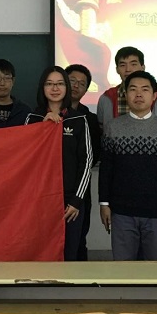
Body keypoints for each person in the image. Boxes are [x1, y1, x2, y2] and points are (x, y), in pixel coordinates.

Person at [99, 71, 157, 261]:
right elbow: (106, 169)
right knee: (123, 268)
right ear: (125, 94)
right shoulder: (113, 127)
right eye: (133, 89)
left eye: (145, 90)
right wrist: (104, 204)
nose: (138, 94)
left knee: (155, 269)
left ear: (154, 96)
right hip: (121, 212)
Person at [26, 67, 93, 261]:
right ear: (42, 88)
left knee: (69, 255)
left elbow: (86, 161)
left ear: (66, 88)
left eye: (60, 84)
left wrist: (76, 201)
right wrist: (43, 128)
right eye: (49, 84)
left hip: (70, 203)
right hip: (40, 200)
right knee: (40, 254)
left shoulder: (79, 119)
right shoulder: (32, 119)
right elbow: (25, 159)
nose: (55, 88)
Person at [65, 64, 101, 261]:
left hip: (80, 191)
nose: (76, 86)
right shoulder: (41, 115)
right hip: (50, 191)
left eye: (82, 83)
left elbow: (93, 155)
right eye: (72, 81)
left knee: (78, 240)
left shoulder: (89, 119)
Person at [97, 46, 157, 127]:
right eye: (123, 65)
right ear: (117, 69)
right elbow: (102, 130)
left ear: (143, 67)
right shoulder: (107, 98)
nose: (128, 69)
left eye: (133, 64)